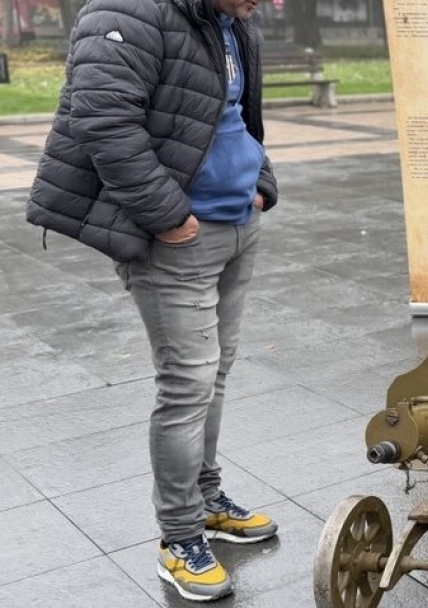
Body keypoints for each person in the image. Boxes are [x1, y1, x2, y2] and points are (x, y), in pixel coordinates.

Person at [25, 0, 279, 601]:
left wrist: (261, 183)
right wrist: (168, 217)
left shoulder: (226, 18)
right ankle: (179, 538)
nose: (271, 4)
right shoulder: (124, 12)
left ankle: (208, 497)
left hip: (237, 222)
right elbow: (103, 123)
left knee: (213, 375)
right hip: (178, 237)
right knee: (187, 383)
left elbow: (235, 114)